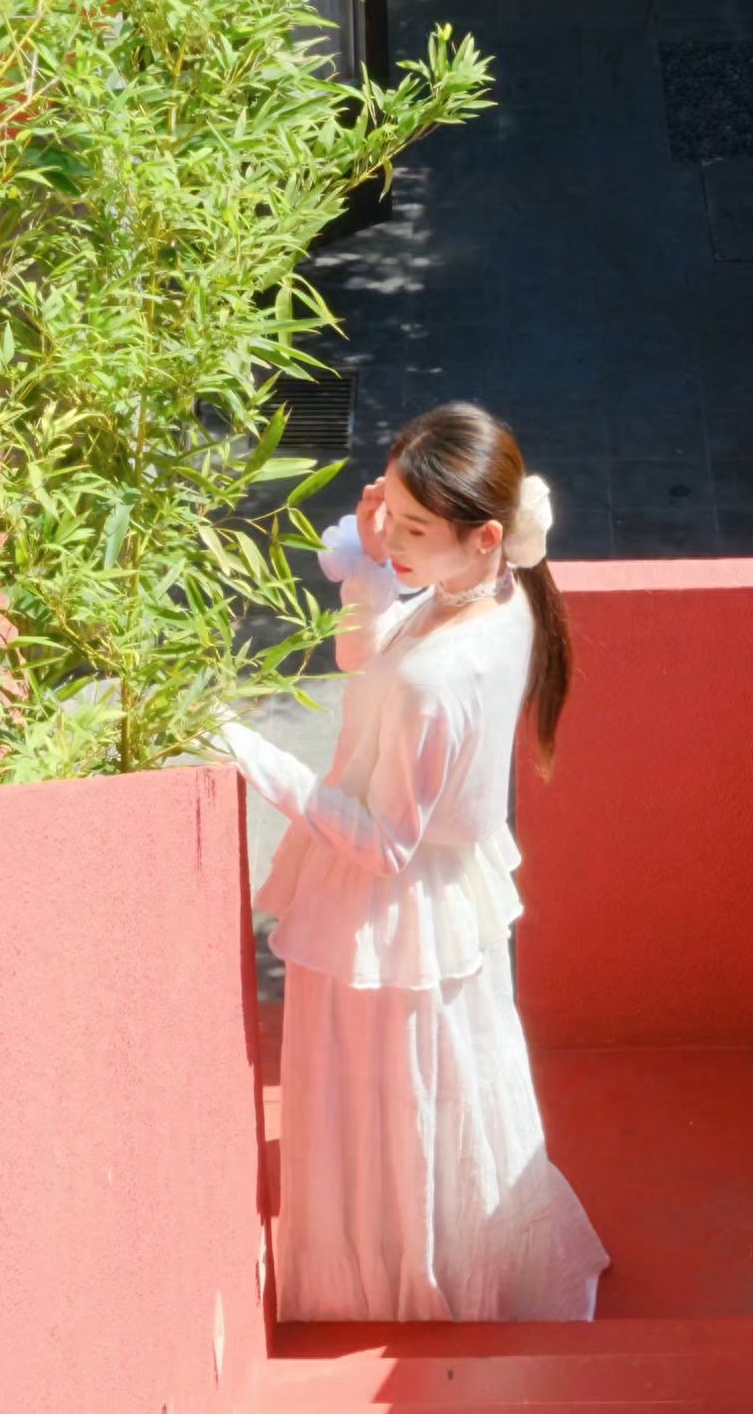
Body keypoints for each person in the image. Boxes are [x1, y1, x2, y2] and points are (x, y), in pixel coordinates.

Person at [201, 400, 610, 1323]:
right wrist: (377, 573)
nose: (392, 538)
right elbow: (368, 653)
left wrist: (254, 755)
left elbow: (384, 842)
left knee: (381, 1098)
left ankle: (382, 1278)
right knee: (445, 1086)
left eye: (416, 529)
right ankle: (463, 1254)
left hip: (387, 906)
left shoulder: (440, 675)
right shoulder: (496, 596)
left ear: (486, 534)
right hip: (442, 898)